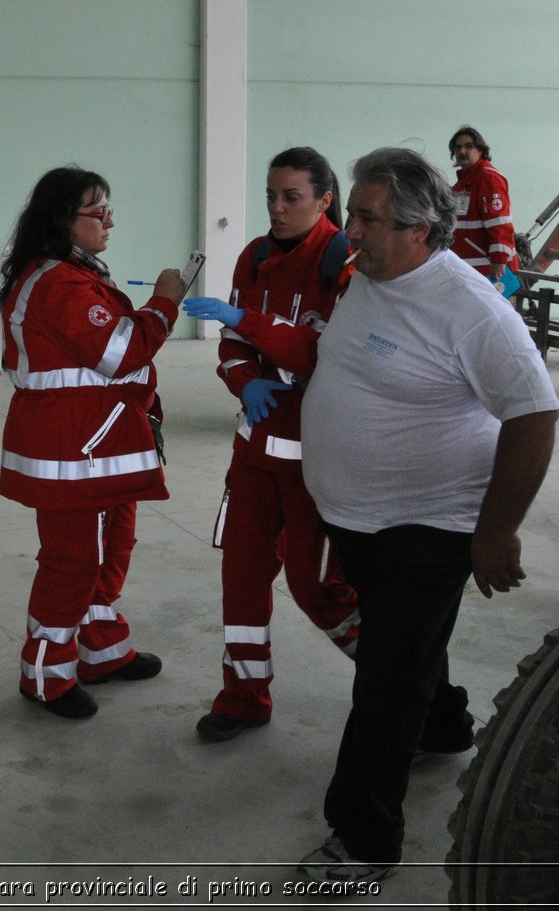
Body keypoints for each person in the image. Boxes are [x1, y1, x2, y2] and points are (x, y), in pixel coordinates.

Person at [296, 147, 559, 883]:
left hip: (429, 523)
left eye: (368, 216)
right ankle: (444, 725)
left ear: (420, 229)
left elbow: (534, 413)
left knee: (384, 683)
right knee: (400, 649)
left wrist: (497, 528)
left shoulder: (471, 308)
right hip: (356, 516)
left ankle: (363, 837)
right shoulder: (372, 276)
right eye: (353, 212)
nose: (351, 228)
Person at [180, 148, 359, 742]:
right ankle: (242, 697)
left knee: (321, 592)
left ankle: (399, 683)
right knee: (243, 576)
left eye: (291, 198)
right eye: (270, 197)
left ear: (325, 199)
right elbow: (232, 345)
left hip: (317, 459)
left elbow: (321, 355)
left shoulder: (344, 261)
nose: (276, 209)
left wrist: (250, 324)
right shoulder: (253, 256)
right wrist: (242, 377)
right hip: (255, 455)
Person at [0, 166, 186, 719]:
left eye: (109, 208)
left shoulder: (74, 274)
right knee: (73, 561)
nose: (110, 221)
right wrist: (165, 302)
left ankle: (101, 648)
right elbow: (121, 350)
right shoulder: (60, 283)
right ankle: (45, 675)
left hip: (98, 443)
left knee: (113, 545)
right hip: (72, 449)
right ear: (62, 220)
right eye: (96, 211)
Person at [448, 125, 519, 282]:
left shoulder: (488, 178)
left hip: (489, 269)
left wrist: (499, 260)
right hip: (471, 268)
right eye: (458, 147)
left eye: (468, 146)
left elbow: (499, 222)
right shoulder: (464, 182)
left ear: (480, 150)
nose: (462, 151)